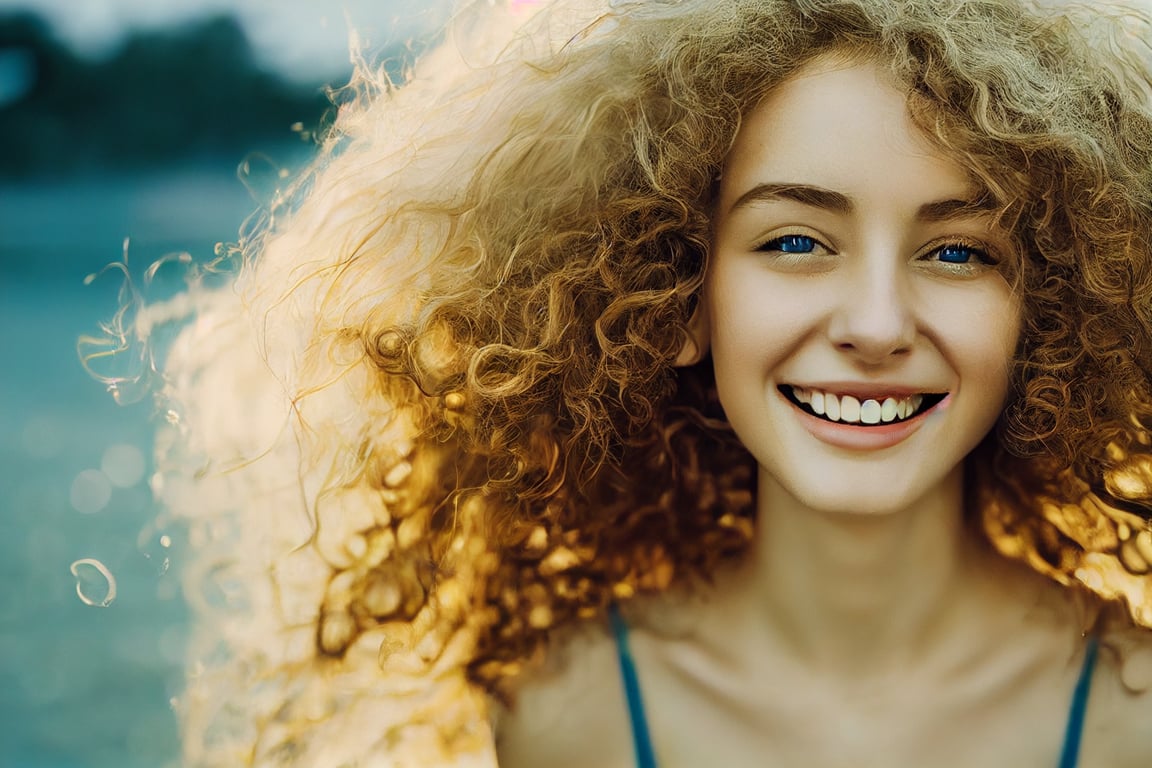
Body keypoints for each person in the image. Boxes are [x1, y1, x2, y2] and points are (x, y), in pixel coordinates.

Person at [153, 0, 1152, 765]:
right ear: (676, 288)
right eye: (796, 240)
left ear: (1056, 305)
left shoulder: (1132, 716)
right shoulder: (565, 712)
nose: (878, 326)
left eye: (960, 252)